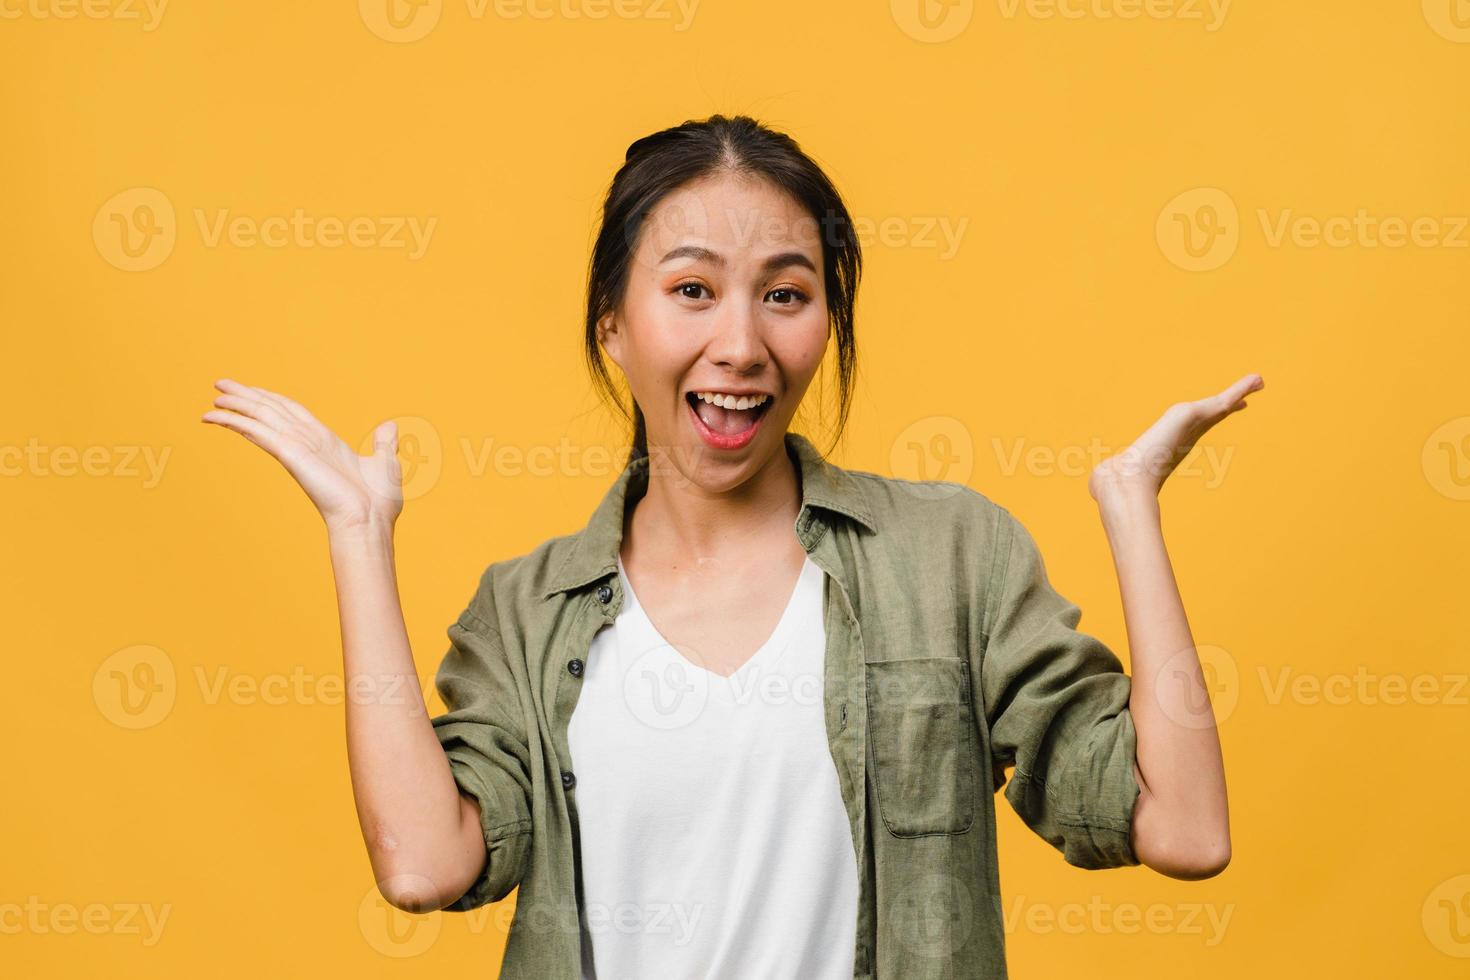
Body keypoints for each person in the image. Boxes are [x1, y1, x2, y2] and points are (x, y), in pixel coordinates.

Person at [201, 113, 1251, 979]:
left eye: (786, 294)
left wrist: (1132, 505)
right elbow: (426, 864)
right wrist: (357, 533)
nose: (741, 344)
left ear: (827, 321)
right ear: (612, 323)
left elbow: (1188, 830)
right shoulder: (526, 611)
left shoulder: (950, 559)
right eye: (692, 289)